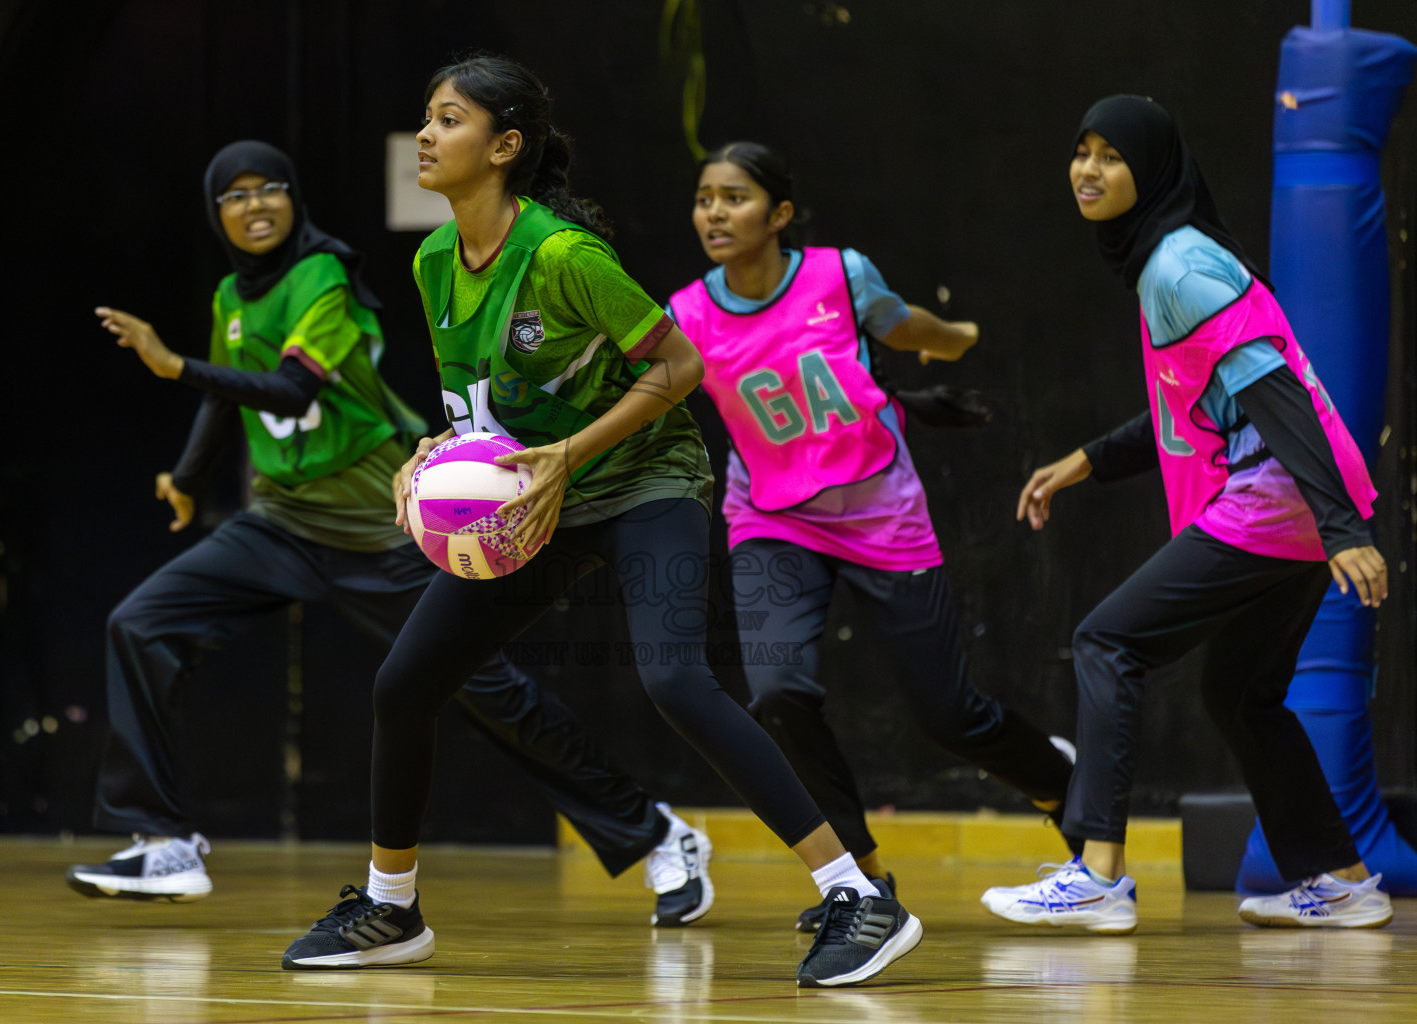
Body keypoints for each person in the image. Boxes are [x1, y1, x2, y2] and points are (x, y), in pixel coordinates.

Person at [279, 56, 921, 988]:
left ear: (504, 146)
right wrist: (432, 454)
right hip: (537, 487)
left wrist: (568, 456)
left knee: (676, 681)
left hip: (642, 476)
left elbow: (679, 368)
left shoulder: (564, 256)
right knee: (405, 682)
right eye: (426, 117)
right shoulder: (432, 259)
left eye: (448, 119)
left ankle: (855, 893)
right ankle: (391, 907)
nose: (425, 134)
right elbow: (477, 408)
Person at [72, 140, 711, 925]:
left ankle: (655, 834)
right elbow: (223, 394)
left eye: (269, 187)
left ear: (293, 197)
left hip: (378, 522)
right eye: (234, 195)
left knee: (488, 694)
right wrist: (187, 476)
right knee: (140, 622)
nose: (254, 204)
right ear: (215, 212)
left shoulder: (324, 275)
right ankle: (163, 841)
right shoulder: (232, 296)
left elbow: (291, 387)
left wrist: (172, 366)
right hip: (281, 520)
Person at [980, 95, 1394, 933]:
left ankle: (1097, 873)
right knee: (1239, 692)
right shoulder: (1170, 256)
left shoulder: (1176, 264)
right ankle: (1341, 881)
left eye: (1111, 156)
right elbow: (1196, 406)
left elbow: (1275, 394)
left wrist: (1342, 528)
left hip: (1277, 500)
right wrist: (1087, 461)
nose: (1088, 170)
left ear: (1153, 170)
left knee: (1107, 641)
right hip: (1298, 504)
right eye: (1081, 151)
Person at [667, 141, 1079, 932]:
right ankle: (858, 876)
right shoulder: (686, 315)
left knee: (949, 716)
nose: (713, 213)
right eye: (703, 198)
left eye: (734, 197)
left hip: (878, 513)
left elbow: (903, 325)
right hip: (771, 518)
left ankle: (1057, 780)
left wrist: (954, 335)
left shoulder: (838, 276)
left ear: (779, 215)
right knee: (777, 693)